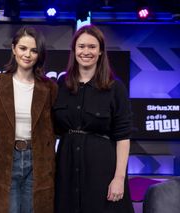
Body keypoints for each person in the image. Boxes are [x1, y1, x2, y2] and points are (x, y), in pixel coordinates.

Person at [53, 24, 134, 213]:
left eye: (92, 47)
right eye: (81, 46)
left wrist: (119, 179)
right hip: (67, 167)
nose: (86, 51)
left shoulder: (115, 88)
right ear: (74, 50)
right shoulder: (61, 85)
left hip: (102, 169)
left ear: (100, 52)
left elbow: (123, 137)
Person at [0, 26, 58, 213]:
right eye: (23, 48)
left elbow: (57, 126)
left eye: (34, 50)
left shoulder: (49, 87)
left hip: (38, 162)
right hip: (3, 161)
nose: (28, 54)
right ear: (13, 49)